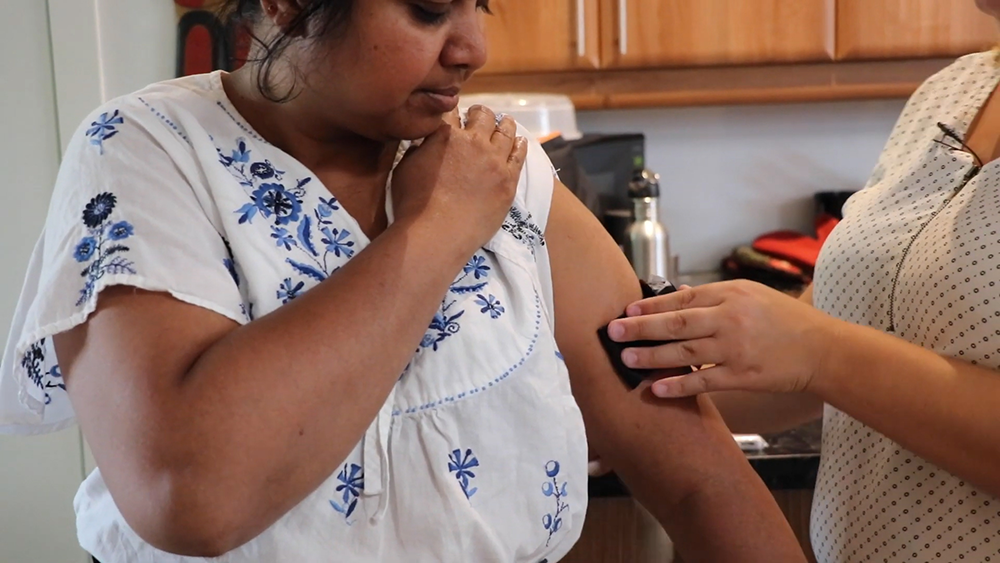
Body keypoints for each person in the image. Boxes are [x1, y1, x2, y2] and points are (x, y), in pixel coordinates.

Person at [0, 1, 806, 561]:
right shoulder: (149, 152)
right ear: (286, 3)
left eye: (476, 5)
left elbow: (696, 474)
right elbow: (190, 496)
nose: (473, 48)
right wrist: (436, 231)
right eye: (426, 10)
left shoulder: (504, 176)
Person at [608, 1, 1000, 561]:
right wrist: (613, 412)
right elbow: (803, 367)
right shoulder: (954, 91)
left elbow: (821, 353)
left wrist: (819, 351)